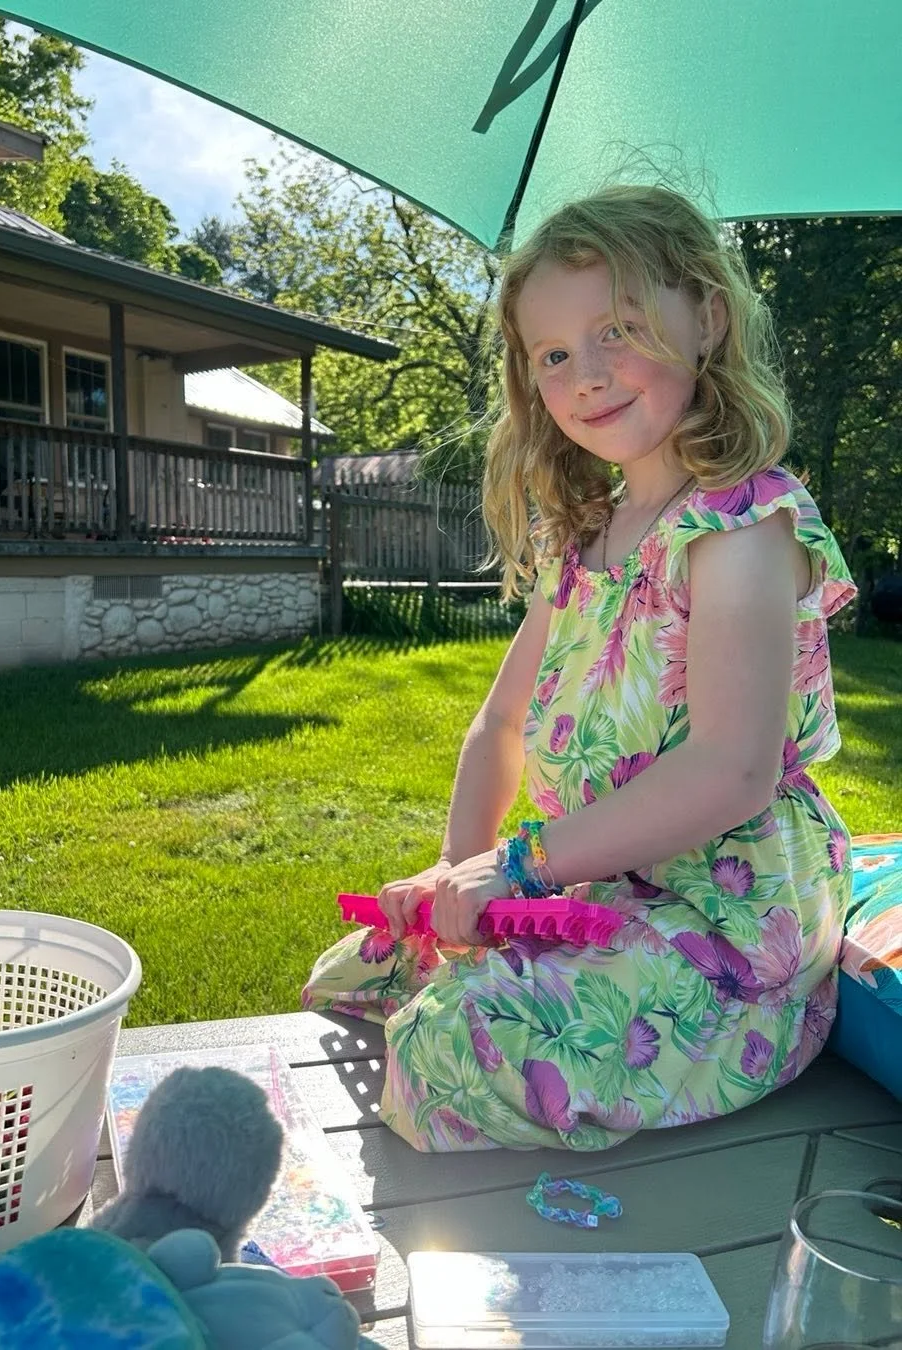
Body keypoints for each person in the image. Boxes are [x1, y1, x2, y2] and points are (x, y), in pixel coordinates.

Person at [302, 185, 856, 1153]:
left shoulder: (741, 526)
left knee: (454, 1039)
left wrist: (516, 866)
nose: (586, 373)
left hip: (725, 917)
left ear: (709, 316)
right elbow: (501, 727)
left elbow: (732, 768)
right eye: (554, 354)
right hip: (601, 887)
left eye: (620, 329)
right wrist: (455, 874)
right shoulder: (586, 540)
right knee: (372, 962)